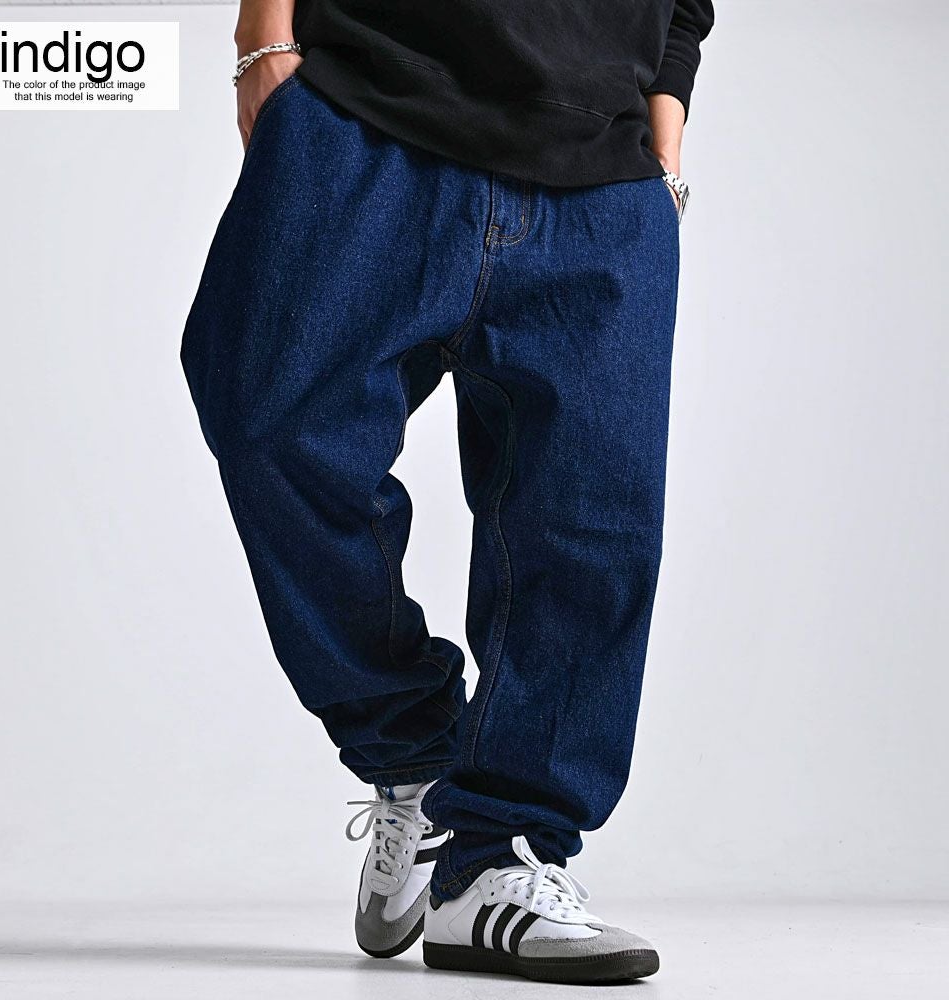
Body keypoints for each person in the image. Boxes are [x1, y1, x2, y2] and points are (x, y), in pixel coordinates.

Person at [181, 0, 714, 984]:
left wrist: (665, 144)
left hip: (603, 166)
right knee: (271, 424)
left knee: (591, 527)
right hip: (367, 107)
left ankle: (500, 858)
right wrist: (264, 38)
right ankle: (411, 749)